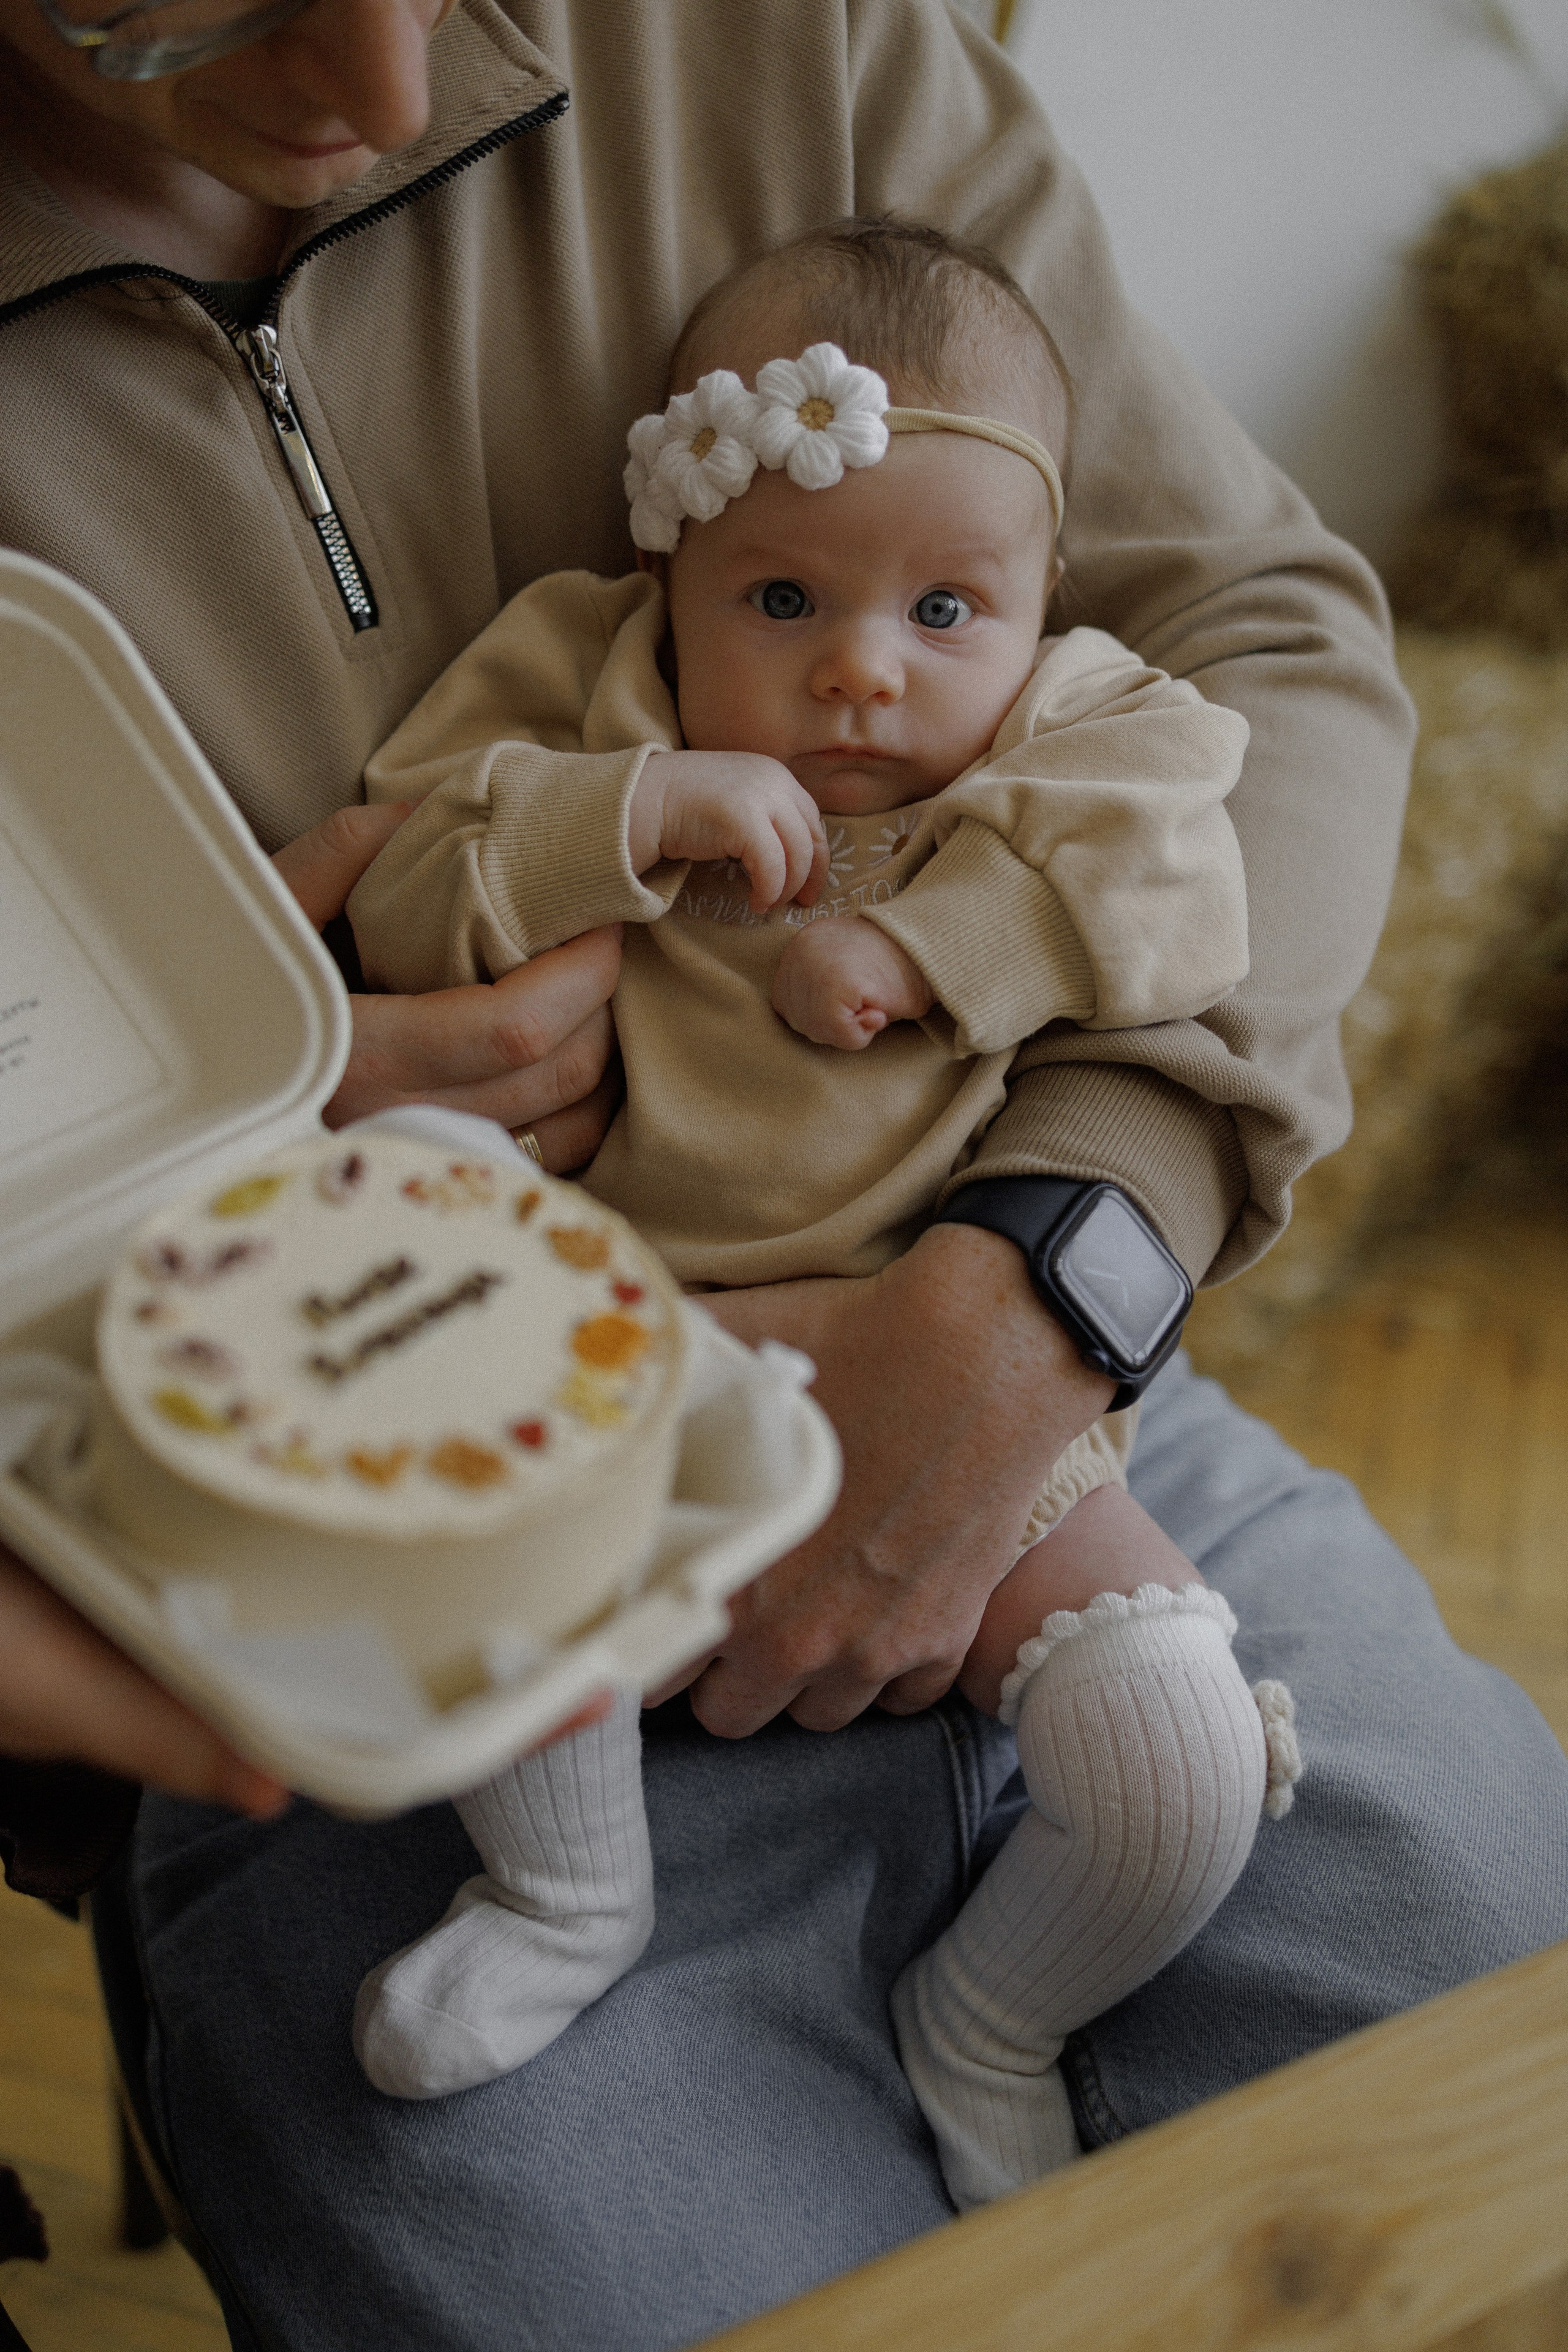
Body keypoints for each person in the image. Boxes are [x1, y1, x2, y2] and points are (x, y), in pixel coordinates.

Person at [1, 0, 1564, 2344]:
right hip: (358, 1553)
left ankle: (992, 2018)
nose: (398, 93)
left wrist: (1052, 1271)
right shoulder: (577, 686)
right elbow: (439, 850)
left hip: (1020, 1362)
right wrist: (186, 1135)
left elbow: (1259, 660)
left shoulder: (779, 33)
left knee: (1496, 2066)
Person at [345, 222, 1298, 2205]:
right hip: (638, 1352)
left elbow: (1186, 901)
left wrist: (941, 943)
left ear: (1041, 595)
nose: (867, 665)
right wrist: (623, 815)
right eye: (782, 594)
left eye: (950, 605)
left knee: (1177, 1763)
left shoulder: (1070, 728)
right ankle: (570, 1891)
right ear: (671, 583)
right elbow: (402, 883)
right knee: (499, 1563)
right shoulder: (588, 680)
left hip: (953, 1379)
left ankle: (992, 2016)